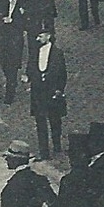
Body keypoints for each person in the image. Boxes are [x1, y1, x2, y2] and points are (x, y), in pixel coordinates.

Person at [26, 30, 68, 159]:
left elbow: (62, 73)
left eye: (40, 36)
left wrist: (59, 90)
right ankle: (44, 151)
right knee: (40, 122)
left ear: (48, 36)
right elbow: (30, 68)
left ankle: (57, 145)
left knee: (55, 121)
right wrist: (29, 77)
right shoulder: (34, 52)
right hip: (38, 92)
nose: (38, 39)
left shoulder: (57, 53)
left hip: (52, 91)